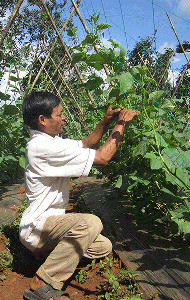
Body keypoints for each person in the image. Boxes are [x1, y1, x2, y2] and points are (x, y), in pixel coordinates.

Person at [20, 91, 137, 300]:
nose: (64, 117)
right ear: (42, 120)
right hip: (39, 225)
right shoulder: (43, 147)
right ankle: (42, 283)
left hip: (52, 225)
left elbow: (85, 143)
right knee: (90, 224)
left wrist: (105, 121)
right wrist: (121, 124)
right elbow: (102, 157)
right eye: (59, 114)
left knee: (103, 246)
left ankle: (50, 254)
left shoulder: (50, 141)